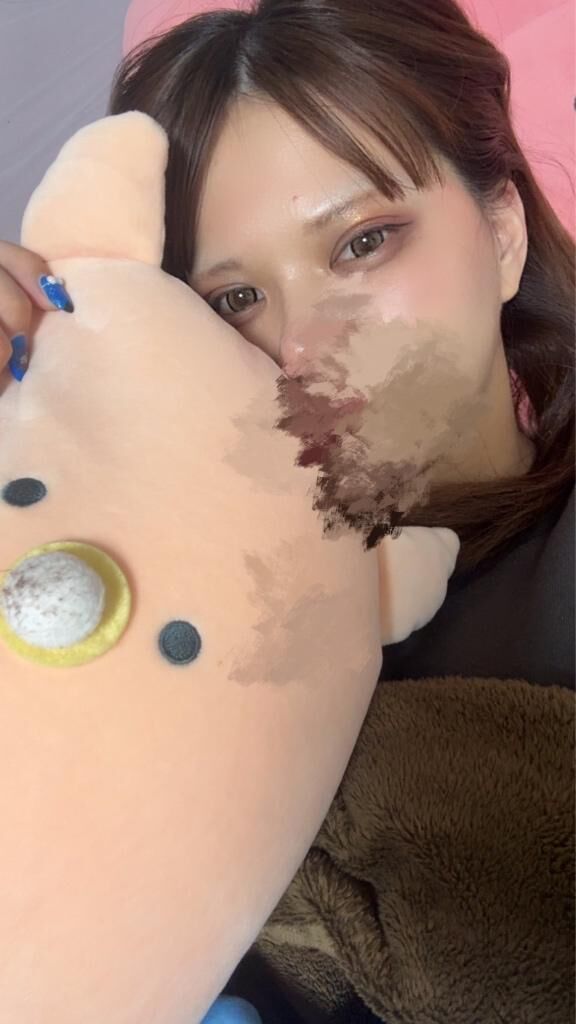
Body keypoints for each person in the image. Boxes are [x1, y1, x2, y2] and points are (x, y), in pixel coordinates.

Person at [0, 0, 573, 1019]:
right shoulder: (162, 586)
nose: (305, 347)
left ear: (502, 231)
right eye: (233, 299)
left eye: (364, 242)